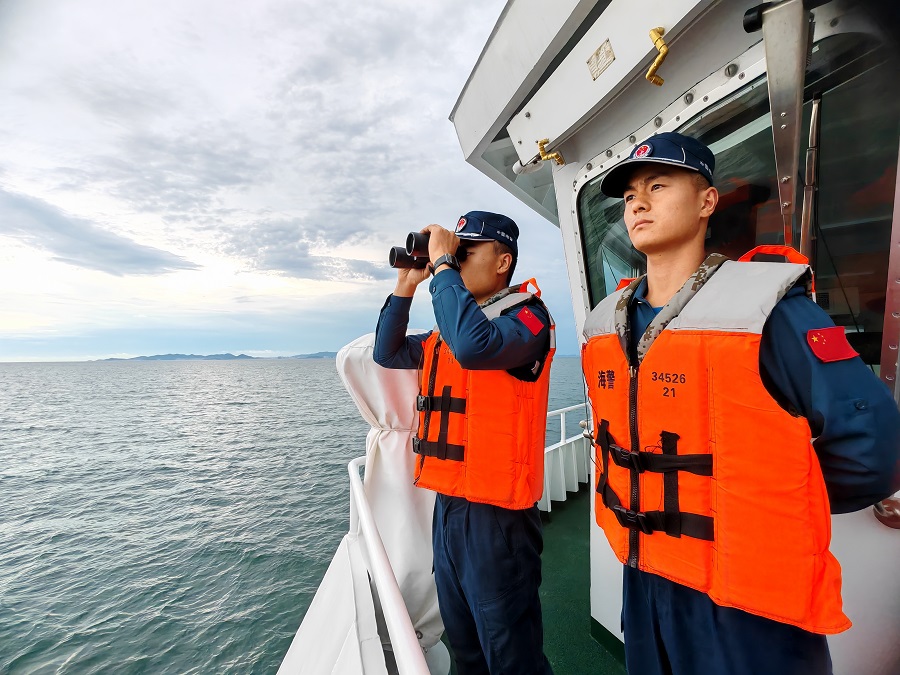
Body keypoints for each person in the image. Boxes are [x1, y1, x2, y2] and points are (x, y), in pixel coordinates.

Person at [581, 132, 900, 675]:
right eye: (630, 193)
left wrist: (765, 506)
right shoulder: (602, 325)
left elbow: (876, 449)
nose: (638, 201)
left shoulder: (768, 311)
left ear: (707, 202)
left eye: (658, 185)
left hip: (748, 604)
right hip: (645, 578)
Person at [373, 211, 555, 675]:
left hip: (498, 519)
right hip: (449, 508)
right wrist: (408, 283)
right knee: (464, 646)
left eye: (464, 252)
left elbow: (477, 348)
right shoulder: (448, 333)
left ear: (502, 262)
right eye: (452, 253)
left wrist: (442, 269)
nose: (451, 261)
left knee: (511, 653)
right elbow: (387, 351)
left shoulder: (527, 318)